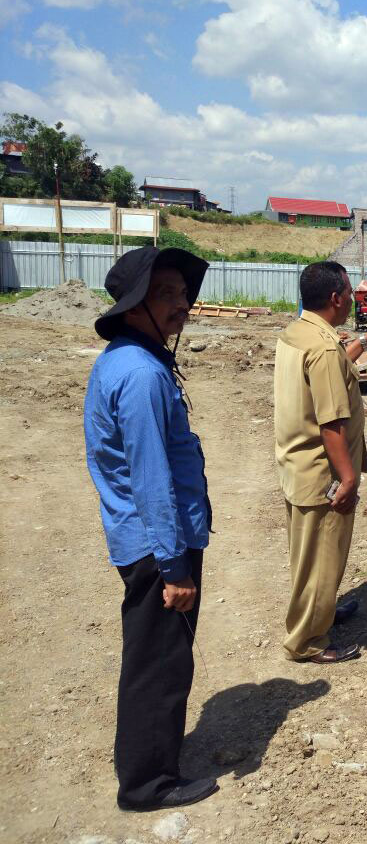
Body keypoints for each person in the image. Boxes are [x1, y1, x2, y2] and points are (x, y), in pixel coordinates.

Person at [84, 246, 218, 811]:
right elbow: (151, 479)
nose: (181, 305)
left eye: (183, 294)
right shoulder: (140, 374)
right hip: (157, 547)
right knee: (159, 665)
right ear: (134, 305)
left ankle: (148, 761)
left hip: (149, 541)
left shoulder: (132, 360)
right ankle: (148, 784)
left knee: (155, 659)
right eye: (165, 294)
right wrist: (174, 568)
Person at [275, 261, 367, 664]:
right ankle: (307, 641)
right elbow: (331, 424)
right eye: (349, 294)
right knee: (321, 558)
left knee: (308, 554)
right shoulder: (324, 347)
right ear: (335, 298)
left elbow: (332, 365)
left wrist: (363, 342)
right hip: (322, 472)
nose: (352, 301)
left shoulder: (300, 332)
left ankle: (320, 613)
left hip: (297, 464)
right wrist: (348, 480)